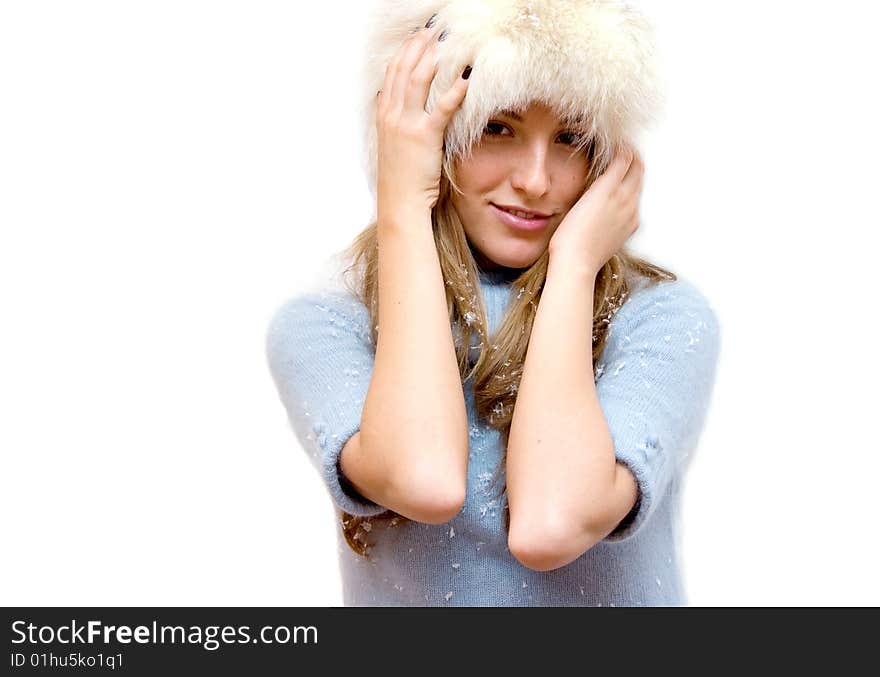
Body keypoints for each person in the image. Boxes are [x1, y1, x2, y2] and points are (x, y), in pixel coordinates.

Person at [266, 0, 720, 606]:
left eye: (571, 138)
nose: (536, 180)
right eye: (498, 128)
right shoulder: (329, 325)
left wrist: (574, 268)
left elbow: (552, 523)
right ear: (430, 130)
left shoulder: (658, 318)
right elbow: (422, 479)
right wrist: (402, 207)